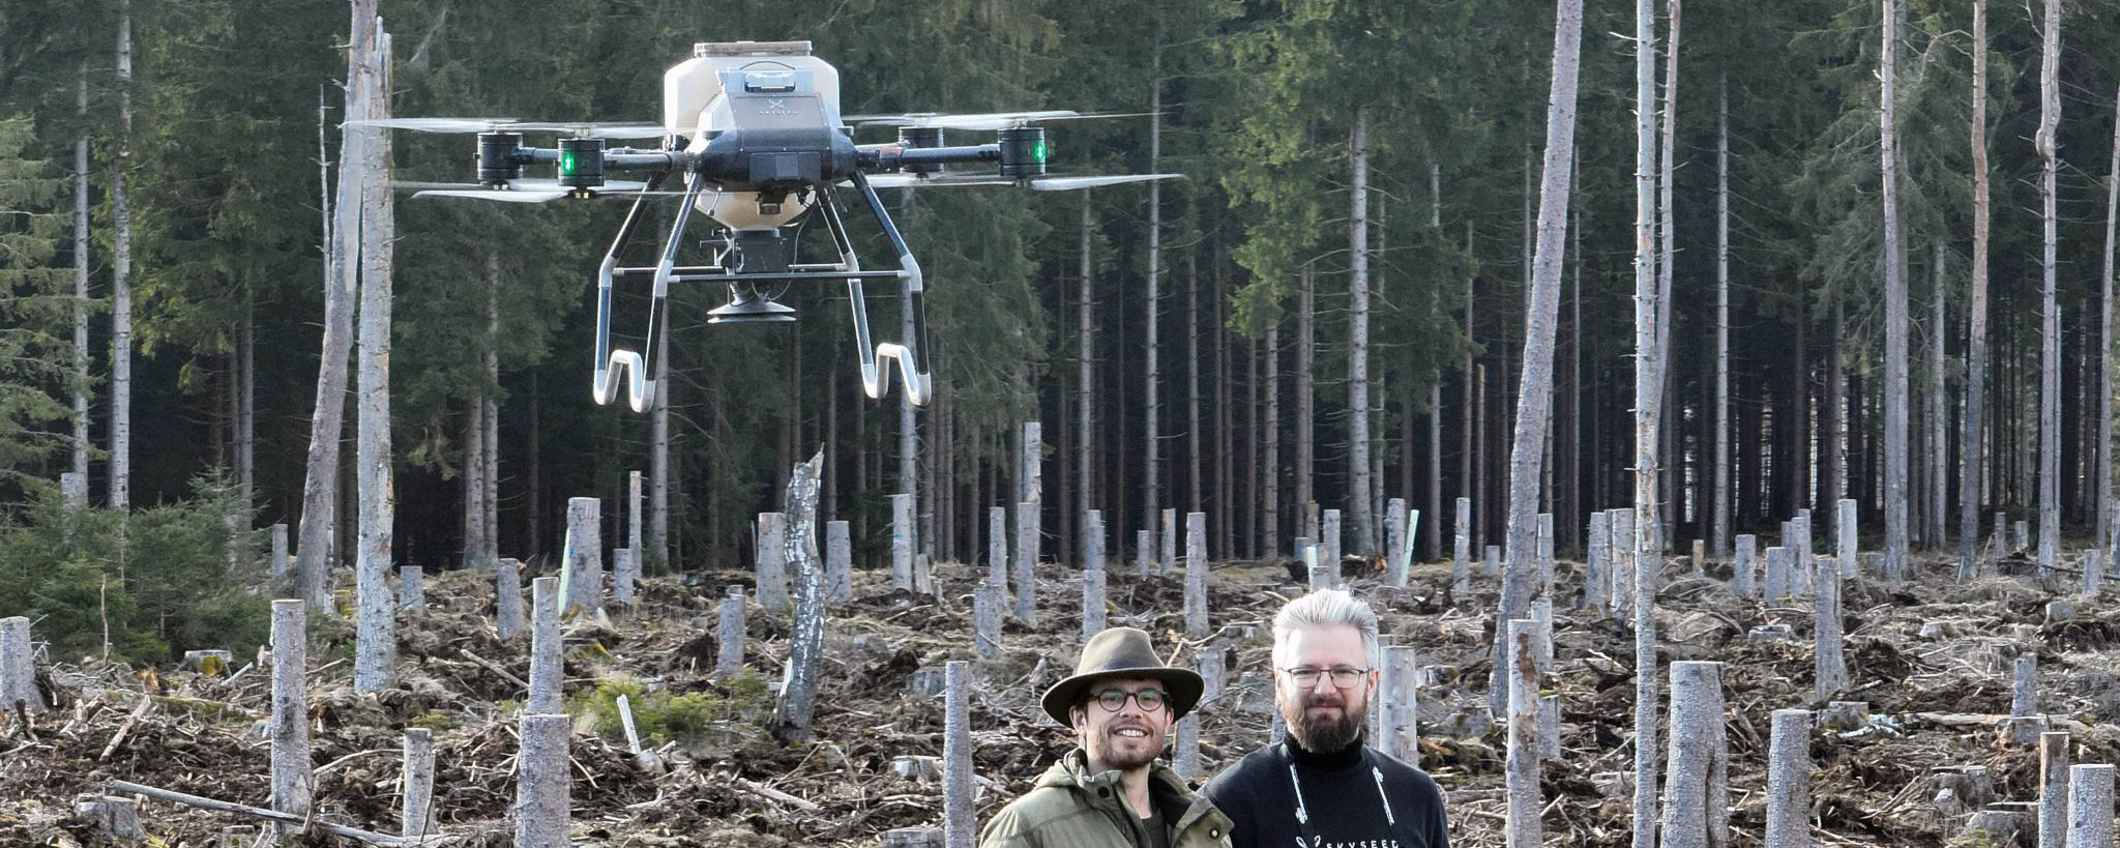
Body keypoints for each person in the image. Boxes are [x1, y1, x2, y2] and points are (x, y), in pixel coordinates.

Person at [1201, 588, 1449, 848]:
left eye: (1343, 671)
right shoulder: (1230, 801)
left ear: (1371, 683)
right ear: (1279, 683)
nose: (1325, 689)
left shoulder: (1416, 795)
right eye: (1305, 671)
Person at [978, 626, 1234, 848]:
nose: (1132, 711)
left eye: (1148, 698)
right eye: (1112, 697)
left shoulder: (1199, 824)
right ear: (1080, 719)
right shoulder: (1026, 827)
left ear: (1167, 719)